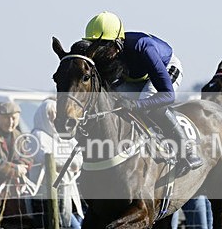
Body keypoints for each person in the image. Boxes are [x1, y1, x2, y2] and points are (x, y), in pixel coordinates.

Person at [82, 11, 203, 175]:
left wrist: (136, 105)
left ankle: (187, 149)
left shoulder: (143, 47)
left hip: (165, 68)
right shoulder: (105, 54)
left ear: (117, 43)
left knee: (147, 105)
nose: (99, 52)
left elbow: (167, 95)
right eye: (94, 45)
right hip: (133, 76)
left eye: (104, 45)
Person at [31, 98, 83, 229]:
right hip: (49, 194)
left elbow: (78, 157)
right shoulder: (37, 135)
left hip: (69, 191)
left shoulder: (62, 136)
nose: (54, 117)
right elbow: (46, 159)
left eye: (56, 113)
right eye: (50, 113)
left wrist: (69, 163)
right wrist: (68, 162)